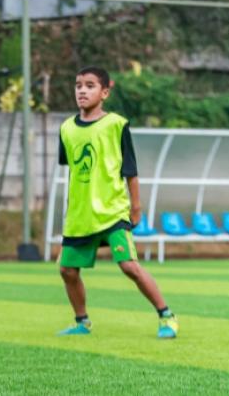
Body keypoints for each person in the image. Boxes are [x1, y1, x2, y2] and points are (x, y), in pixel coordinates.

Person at [57, 66, 178, 339]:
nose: (82, 91)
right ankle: (82, 322)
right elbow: (74, 171)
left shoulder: (116, 125)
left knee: (129, 266)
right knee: (67, 270)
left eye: (89, 85)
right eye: (78, 85)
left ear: (104, 92)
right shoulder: (66, 128)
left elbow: (130, 170)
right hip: (80, 214)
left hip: (112, 210)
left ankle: (167, 316)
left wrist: (136, 207)